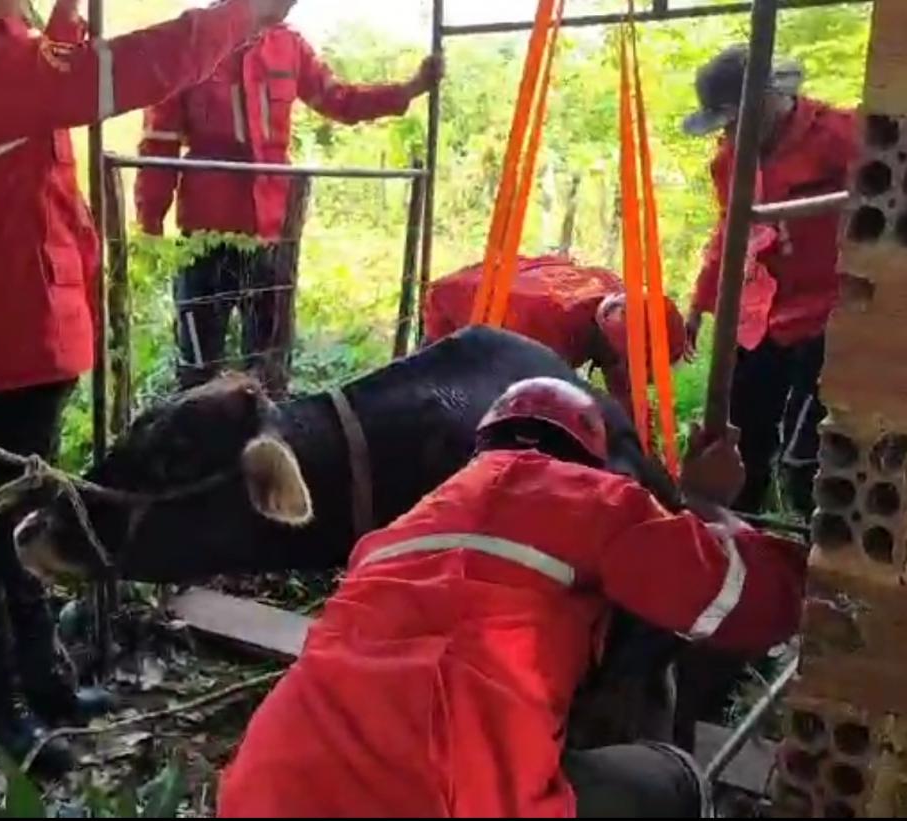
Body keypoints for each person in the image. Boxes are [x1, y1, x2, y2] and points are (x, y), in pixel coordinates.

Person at [0, 0, 295, 774]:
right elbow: (122, 72)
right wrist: (242, 15)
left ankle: (42, 681)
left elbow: (38, 92)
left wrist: (58, 34)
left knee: (21, 510)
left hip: (25, 326)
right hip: (2, 334)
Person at [217, 378, 807, 818]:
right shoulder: (596, 499)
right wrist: (707, 507)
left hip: (270, 788)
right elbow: (749, 600)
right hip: (448, 794)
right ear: (586, 454)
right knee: (675, 780)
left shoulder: (400, 530)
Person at [134, 9, 443, 389]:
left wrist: (409, 89)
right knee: (198, 367)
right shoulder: (192, 42)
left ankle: (267, 444)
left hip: (271, 236)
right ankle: (200, 442)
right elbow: (158, 144)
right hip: (205, 238)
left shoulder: (288, 46)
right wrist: (149, 223)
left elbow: (339, 100)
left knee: (269, 370)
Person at [683, 45, 859, 517]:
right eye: (724, 124)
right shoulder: (729, 161)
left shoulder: (842, 135)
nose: (730, 133)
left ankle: (818, 557)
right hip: (762, 316)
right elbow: (729, 231)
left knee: (812, 455)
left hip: (830, 316)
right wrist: (700, 302)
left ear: (769, 98)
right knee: (738, 440)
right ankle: (739, 544)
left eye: (736, 119)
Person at [423, 254, 688, 416]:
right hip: (457, 308)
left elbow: (625, 397)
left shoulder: (614, 300)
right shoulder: (545, 338)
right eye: (626, 364)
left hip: (507, 282)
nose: (625, 373)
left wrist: (646, 455)